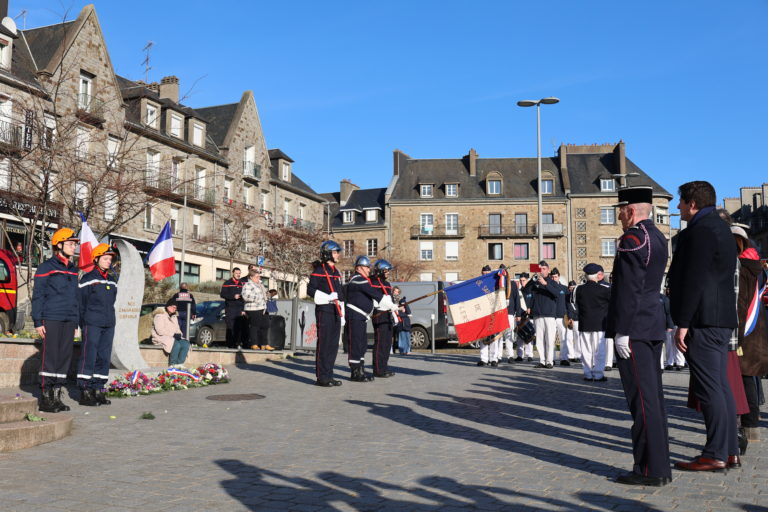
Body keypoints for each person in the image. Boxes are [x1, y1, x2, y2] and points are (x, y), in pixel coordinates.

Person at [669, 181, 738, 473]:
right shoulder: (719, 227)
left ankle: (715, 453)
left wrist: (683, 323)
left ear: (693, 203)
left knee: (710, 389)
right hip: (718, 317)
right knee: (721, 387)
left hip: (704, 319)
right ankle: (729, 450)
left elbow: (694, 279)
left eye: (682, 202)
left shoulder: (700, 230)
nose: (678, 207)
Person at [605, 186, 671, 486]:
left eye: (620, 210)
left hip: (635, 329)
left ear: (631, 211)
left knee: (642, 402)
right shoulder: (657, 236)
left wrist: (622, 331)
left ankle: (649, 469)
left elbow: (628, 291)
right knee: (653, 399)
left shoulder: (632, 238)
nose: (618, 215)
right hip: (652, 325)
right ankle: (659, 466)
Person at [32, 227, 80, 413]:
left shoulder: (73, 270)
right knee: (50, 356)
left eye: (74, 244)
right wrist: (37, 321)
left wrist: (75, 322)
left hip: (68, 319)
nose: (73, 247)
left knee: (64, 357)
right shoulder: (46, 267)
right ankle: (46, 397)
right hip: (51, 317)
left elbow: (75, 298)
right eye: (70, 244)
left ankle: (56, 395)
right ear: (58, 245)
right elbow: (38, 296)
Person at [730, 225, 767, 446]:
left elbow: (741, 304)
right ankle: (752, 426)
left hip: (744, 331)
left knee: (740, 382)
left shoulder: (741, 267)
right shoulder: (758, 266)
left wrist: (737, 337)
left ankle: (743, 429)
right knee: (749, 380)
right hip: (758, 331)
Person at [77, 244, 118, 406]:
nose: (109, 262)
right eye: (106, 259)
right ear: (96, 259)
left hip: (108, 324)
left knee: (104, 357)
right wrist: (83, 323)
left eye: (110, 259)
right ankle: (85, 391)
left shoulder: (113, 280)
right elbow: (81, 303)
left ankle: (98, 389)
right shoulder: (88, 278)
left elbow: (113, 301)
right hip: (92, 323)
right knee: (89, 356)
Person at [345, 256, 389, 382]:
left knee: (362, 344)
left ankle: (361, 370)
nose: (369, 270)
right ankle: (355, 372)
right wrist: (389, 304)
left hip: (361, 317)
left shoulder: (363, 279)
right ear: (359, 268)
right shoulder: (357, 279)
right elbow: (374, 293)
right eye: (367, 267)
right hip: (355, 316)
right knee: (356, 344)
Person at [307, 241, 345, 387]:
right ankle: (322, 377)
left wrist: (342, 312)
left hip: (335, 310)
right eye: (335, 252)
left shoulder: (335, 271)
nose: (338, 255)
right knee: (324, 343)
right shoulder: (319, 270)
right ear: (328, 253)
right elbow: (310, 290)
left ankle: (329, 374)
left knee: (333, 345)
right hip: (324, 309)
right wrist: (327, 297)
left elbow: (340, 293)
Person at [575, 264, 611, 382]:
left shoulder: (579, 289)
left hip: (585, 323)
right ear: (597, 276)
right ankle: (598, 374)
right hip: (600, 324)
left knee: (585, 350)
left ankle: (587, 373)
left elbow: (573, 303)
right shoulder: (605, 290)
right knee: (599, 350)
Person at [522, 260, 560, 369]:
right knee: (539, 340)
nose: (542, 271)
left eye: (543, 269)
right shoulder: (535, 282)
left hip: (549, 315)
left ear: (548, 270)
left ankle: (549, 361)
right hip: (538, 314)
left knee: (549, 339)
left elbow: (557, 294)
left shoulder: (552, 281)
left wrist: (546, 284)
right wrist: (532, 279)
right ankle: (542, 361)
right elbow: (525, 290)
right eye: (540, 269)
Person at [371, 259, 398, 377]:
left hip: (387, 314)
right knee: (380, 342)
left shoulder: (387, 284)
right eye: (386, 270)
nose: (388, 273)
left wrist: (394, 312)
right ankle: (378, 369)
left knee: (387, 343)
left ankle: (384, 366)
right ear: (380, 270)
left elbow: (390, 299)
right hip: (379, 313)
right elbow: (375, 298)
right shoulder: (373, 282)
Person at [152, 298, 190, 365]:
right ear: (168, 306)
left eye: (175, 307)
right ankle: (172, 365)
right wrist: (173, 334)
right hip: (160, 337)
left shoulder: (174, 317)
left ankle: (179, 365)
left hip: (172, 337)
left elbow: (177, 329)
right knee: (176, 344)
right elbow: (160, 331)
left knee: (185, 343)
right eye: (173, 307)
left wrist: (179, 334)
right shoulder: (159, 316)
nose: (174, 309)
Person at [241, 265, 272, 350]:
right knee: (255, 326)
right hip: (253, 308)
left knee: (265, 325)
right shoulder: (248, 285)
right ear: (251, 277)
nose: (259, 278)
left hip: (263, 307)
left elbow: (264, 294)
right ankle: (254, 343)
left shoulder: (261, 285)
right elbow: (245, 296)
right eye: (257, 277)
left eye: (259, 276)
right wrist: (258, 298)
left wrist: (268, 295)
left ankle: (264, 344)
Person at [477, 265, 501, 367]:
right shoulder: (478, 284)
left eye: (487, 274)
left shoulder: (495, 282)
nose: (485, 275)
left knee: (494, 337)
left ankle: (493, 359)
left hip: (493, 313)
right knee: (483, 337)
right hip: (482, 313)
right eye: (484, 274)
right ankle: (484, 359)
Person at [219, 268, 248, 349]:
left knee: (238, 327)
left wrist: (243, 310)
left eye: (239, 273)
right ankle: (230, 344)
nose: (238, 275)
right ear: (233, 273)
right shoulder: (227, 283)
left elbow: (244, 297)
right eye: (236, 273)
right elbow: (222, 294)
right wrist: (233, 296)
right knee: (230, 327)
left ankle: (237, 343)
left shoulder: (241, 283)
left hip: (239, 308)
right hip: (230, 308)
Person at [500, 265, 522, 364]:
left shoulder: (512, 284)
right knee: (499, 336)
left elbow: (517, 299)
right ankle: (498, 356)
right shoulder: (496, 283)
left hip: (510, 312)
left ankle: (510, 356)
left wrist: (518, 313)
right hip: (499, 313)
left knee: (509, 335)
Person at [550, 268, 571, 366]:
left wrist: (569, 315)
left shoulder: (564, 288)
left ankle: (564, 358)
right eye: (552, 277)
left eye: (555, 276)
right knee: (551, 339)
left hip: (561, 316)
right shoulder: (548, 288)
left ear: (558, 277)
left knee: (564, 338)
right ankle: (551, 358)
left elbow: (568, 303)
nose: (554, 279)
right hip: (551, 316)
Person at [661, 289, 683, 370]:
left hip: (677, 323)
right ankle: (670, 362)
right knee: (669, 344)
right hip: (669, 324)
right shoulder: (666, 298)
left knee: (676, 344)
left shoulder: (679, 298)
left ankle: (679, 363)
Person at [515, 273, 534, 362]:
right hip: (521, 316)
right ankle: (519, 355)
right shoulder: (519, 291)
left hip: (530, 316)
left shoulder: (532, 290)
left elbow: (534, 302)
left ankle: (529, 355)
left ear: (527, 280)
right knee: (520, 337)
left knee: (529, 335)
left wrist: (531, 308)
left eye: (524, 280)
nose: (522, 282)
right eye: (521, 280)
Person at [565, 280, 581, 363]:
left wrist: (574, 317)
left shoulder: (579, 297)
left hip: (577, 319)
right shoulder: (567, 296)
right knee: (569, 338)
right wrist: (569, 318)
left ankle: (578, 355)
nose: (571, 289)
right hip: (569, 319)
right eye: (570, 288)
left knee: (577, 338)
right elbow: (567, 308)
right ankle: (571, 355)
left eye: (573, 288)